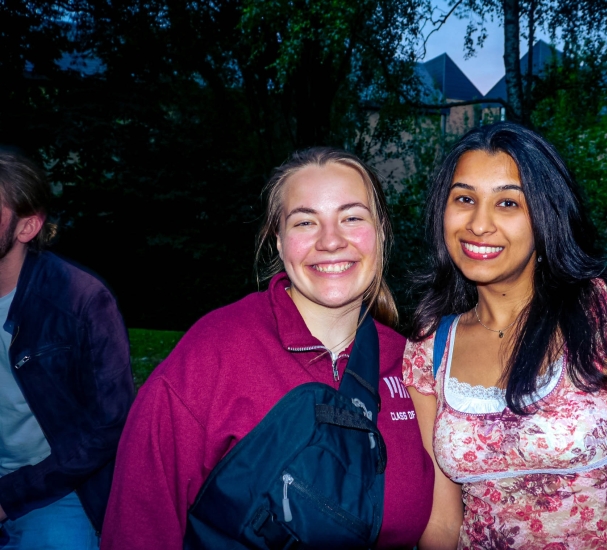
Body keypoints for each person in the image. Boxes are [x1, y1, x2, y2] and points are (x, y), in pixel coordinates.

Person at [102, 147, 434, 549]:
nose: (330, 241)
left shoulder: (412, 365)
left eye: (351, 218)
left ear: (381, 231)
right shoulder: (213, 354)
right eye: (305, 222)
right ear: (278, 240)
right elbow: (139, 525)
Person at [403, 123, 607, 549]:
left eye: (507, 203)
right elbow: (443, 524)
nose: (479, 224)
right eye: (464, 199)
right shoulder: (430, 347)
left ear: (545, 214)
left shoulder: (605, 315)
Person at [0, 147, 134, 549]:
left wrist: (9, 497)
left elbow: (109, 426)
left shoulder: (80, 300)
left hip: (56, 485)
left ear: (27, 227)